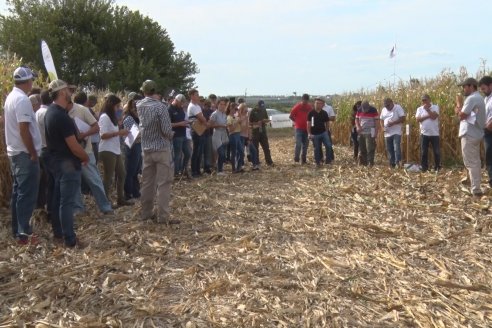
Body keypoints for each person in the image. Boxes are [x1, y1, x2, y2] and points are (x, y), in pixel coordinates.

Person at [44, 79, 89, 248]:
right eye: (68, 91)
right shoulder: (61, 116)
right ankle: (70, 239)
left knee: (57, 200)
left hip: (56, 162)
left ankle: (58, 234)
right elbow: (73, 145)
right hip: (67, 164)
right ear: (62, 93)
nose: (70, 93)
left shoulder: (50, 112)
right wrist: (85, 157)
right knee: (66, 202)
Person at [5, 66, 42, 245]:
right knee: (26, 194)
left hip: (15, 152)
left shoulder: (11, 98)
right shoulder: (22, 100)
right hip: (24, 154)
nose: (32, 83)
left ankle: (17, 230)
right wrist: (33, 153)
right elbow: (23, 129)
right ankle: (24, 234)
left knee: (18, 193)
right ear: (27, 81)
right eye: (31, 80)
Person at [136, 80, 177, 224]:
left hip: (146, 149)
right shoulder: (161, 107)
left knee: (147, 183)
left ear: (144, 91)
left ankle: (146, 213)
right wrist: (172, 134)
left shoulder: (139, 105)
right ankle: (163, 217)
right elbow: (166, 130)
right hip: (161, 148)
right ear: (155, 90)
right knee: (164, 183)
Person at [70, 92, 113, 215]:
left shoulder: (82, 110)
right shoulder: (60, 111)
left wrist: (83, 135)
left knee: (94, 180)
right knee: (74, 182)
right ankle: (78, 208)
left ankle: (105, 206)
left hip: (86, 151)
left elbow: (96, 127)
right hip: (71, 153)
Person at [455, 77, 486, 196]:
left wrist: (458, 105)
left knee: (471, 162)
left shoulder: (472, 98)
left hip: (470, 134)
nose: (463, 89)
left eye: (465, 86)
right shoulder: (479, 98)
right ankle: (474, 185)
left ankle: (476, 189)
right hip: (476, 133)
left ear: (471, 86)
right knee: (475, 161)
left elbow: (461, 115)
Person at [98, 94, 131, 206]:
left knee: (122, 174)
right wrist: (119, 132)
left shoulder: (112, 118)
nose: (119, 108)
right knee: (109, 176)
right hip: (107, 150)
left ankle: (120, 199)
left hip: (115, 149)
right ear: (111, 105)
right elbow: (103, 135)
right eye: (117, 106)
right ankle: (105, 201)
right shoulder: (104, 117)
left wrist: (120, 124)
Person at [122, 93, 143, 200]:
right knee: (130, 170)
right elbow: (135, 134)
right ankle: (128, 193)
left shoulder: (135, 116)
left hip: (138, 145)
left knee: (135, 171)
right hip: (133, 146)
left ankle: (136, 191)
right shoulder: (128, 118)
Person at [35, 90, 53, 212]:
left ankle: (40, 206)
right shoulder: (47, 113)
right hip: (48, 149)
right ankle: (49, 209)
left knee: (42, 182)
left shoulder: (37, 112)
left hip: (40, 149)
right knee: (50, 182)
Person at [415, 94, 440, 172]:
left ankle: (437, 167)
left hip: (434, 133)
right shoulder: (419, 109)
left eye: (425, 100)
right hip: (424, 134)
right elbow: (418, 119)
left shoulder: (435, 107)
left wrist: (428, 110)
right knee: (423, 152)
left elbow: (434, 117)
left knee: (436, 151)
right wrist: (428, 115)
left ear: (429, 100)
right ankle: (424, 167)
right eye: (423, 100)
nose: (424, 102)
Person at [168, 94, 190, 177]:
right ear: (176, 100)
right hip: (176, 136)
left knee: (188, 153)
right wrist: (180, 124)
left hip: (183, 134)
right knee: (177, 155)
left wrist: (186, 123)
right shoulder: (169, 109)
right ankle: (175, 173)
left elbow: (182, 120)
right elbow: (167, 124)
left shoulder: (180, 108)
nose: (182, 105)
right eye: (181, 103)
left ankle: (184, 170)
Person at [380, 98, 406, 167]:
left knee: (396, 147)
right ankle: (392, 164)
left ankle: (398, 163)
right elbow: (381, 120)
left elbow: (403, 118)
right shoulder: (384, 110)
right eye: (385, 106)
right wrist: (382, 128)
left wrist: (393, 123)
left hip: (396, 132)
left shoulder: (398, 107)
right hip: (387, 133)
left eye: (388, 105)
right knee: (389, 149)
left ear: (392, 102)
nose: (387, 107)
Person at [187, 89, 207, 177]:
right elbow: (201, 118)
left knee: (200, 151)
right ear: (191, 96)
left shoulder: (197, 106)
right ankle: (194, 171)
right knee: (196, 151)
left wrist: (204, 121)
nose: (198, 96)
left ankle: (198, 170)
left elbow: (202, 118)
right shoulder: (192, 106)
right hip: (195, 131)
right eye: (196, 94)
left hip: (200, 130)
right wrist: (205, 122)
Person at [307, 98, 331, 167]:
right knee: (316, 148)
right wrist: (309, 133)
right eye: (317, 103)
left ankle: (328, 161)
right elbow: (308, 124)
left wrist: (326, 131)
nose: (318, 105)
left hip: (323, 133)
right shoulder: (311, 113)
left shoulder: (324, 113)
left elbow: (327, 122)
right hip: (314, 134)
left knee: (328, 146)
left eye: (320, 103)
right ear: (314, 104)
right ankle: (317, 162)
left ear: (322, 105)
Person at [250, 100, 274, 166]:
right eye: (260, 106)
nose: (261, 108)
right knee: (255, 148)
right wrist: (257, 123)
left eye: (262, 107)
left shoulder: (264, 110)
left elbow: (266, 119)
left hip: (263, 131)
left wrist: (265, 121)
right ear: (257, 105)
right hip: (255, 132)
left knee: (266, 147)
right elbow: (249, 123)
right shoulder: (253, 111)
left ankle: (269, 162)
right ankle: (256, 162)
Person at [289, 93, 311, 164]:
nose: (305, 102)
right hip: (298, 128)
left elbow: (312, 117)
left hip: (307, 129)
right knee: (298, 143)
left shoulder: (309, 107)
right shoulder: (297, 106)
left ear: (308, 100)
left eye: (306, 101)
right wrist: (296, 121)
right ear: (302, 99)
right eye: (304, 100)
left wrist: (312, 126)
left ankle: (303, 160)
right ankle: (296, 159)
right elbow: (291, 116)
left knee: (305, 145)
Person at [209, 98, 229, 175]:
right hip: (217, 134)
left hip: (223, 134)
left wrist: (226, 125)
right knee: (221, 153)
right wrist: (220, 125)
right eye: (221, 104)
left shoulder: (224, 114)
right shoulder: (214, 114)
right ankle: (219, 170)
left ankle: (219, 169)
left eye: (224, 104)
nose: (223, 106)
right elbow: (210, 125)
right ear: (218, 105)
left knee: (223, 153)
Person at [355, 101, 379, 166]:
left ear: (369, 106)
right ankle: (364, 162)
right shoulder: (359, 110)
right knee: (362, 148)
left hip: (370, 132)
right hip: (361, 132)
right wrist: (358, 127)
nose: (365, 110)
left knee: (370, 148)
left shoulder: (373, 110)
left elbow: (377, 122)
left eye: (366, 109)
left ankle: (370, 162)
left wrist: (376, 132)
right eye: (364, 109)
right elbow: (356, 119)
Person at [238, 102, 259, 170]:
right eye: (245, 108)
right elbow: (240, 128)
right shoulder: (238, 117)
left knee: (254, 150)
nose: (246, 109)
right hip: (240, 136)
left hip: (246, 136)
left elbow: (248, 127)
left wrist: (249, 137)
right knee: (241, 152)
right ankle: (240, 165)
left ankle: (255, 165)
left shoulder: (247, 117)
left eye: (246, 108)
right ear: (241, 109)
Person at [480, 76, 492, 187]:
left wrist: (489, 125)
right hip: (487, 131)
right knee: (489, 155)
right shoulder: (485, 99)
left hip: (490, 130)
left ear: (490, 85)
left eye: (484, 88)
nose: (483, 91)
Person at [227, 102, 244, 173]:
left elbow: (242, 126)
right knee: (233, 153)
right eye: (235, 109)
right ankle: (234, 169)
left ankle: (238, 167)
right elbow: (230, 129)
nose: (236, 110)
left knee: (241, 152)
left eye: (237, 109)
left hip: (238, 134)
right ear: (230, 108)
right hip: (233, 135)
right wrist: (237, 122)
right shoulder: (229, 117)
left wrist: (239, 120)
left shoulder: (235, 116)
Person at [87, 94, 101, 163]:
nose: (95, 105)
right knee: (95, 157)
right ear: (90, 101)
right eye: (94, 103)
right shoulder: (86, 109)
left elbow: (97, 118)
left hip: (93, 137)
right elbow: (96, 119)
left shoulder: (89, 109)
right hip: (92, 138)